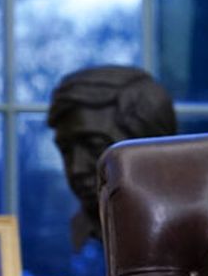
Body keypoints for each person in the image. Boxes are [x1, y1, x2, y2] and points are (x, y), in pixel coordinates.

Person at [46, 66, 177, 249]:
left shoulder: (191, 234)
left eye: (94, 147)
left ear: (150, 148)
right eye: (66, 150)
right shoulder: (56, 240)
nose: (76, 168)